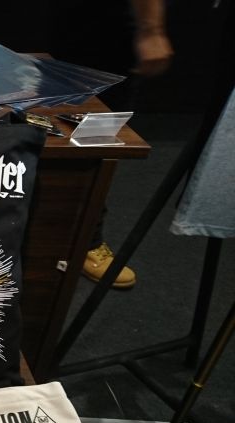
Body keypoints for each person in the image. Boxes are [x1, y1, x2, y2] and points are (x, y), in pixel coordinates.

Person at [80, 0, 173, 289]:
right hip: (102, 26)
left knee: (94, 133)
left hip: (104, 26)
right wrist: (151, 30)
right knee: (92, 133)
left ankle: (82, 239)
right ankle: (81, 240)